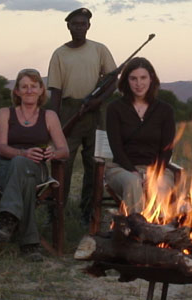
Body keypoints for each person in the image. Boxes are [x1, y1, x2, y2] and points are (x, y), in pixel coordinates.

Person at [0, 69, 69, 261]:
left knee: (24, 171)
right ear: (16, 91)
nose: (29, 90)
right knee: (20, 168)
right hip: (5, 169)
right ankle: (30, 244)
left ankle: (7, 222)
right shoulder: (5, 113)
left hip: (37, 168)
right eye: (24, 86)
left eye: (34, 86)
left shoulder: (49, 116)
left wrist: (53, 153)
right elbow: (1, 148)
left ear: (41, 90)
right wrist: (23, 153)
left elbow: (64, 150)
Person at [47, 7, 117, 225]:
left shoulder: (99, 49)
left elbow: (113, 79)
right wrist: (53, 122)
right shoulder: (59, 54)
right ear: (68, 26)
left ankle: (89, 212)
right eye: (75, 24)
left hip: (95, 113)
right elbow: (55, 92)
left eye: (83, 23)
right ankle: (55, 212)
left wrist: (99, 101)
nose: (79, 27)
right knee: (62, 163)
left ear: (89, 26)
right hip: (69, 110)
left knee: (95, 164)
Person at [105, 57, 175, 213]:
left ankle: (161, 232)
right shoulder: (115, 109)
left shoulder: (165, 111)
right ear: (126, 81)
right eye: (133, 79)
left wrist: (154, 173)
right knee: (133, 183)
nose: (139, 83)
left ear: (151, 79)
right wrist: (134, 172)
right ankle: (136, 230)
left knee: (159, 184)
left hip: (156, 169)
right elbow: (116, 148)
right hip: (122, 168)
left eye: (143, 78)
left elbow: (167, 149)